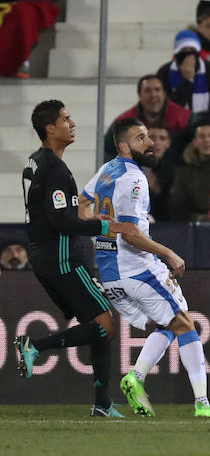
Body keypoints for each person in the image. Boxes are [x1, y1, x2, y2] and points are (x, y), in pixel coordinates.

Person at [80, 118, 210, 418]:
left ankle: (136, 377)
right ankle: (202, 403)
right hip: (136, 268)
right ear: (123, 146)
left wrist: (105, 229)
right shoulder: (134, 178)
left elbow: (83, 205)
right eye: (140, 138)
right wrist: (168, 252)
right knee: (186, 325)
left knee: (169, 322)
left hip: (109, 272)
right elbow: (132, 234)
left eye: (148, 136)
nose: (150, 142)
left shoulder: (107, 170)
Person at [16, 100, 138, 417]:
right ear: (50, 128)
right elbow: (62, 222)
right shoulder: (54, 168)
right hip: (62, 256)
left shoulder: (37, 161)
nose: (73, 124)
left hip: (46, 254)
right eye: (66, 119)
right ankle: (34, 347)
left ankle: (102, 403)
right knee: (106, 325)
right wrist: (105, 225)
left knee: (98, 323)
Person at [103, 75, 192, 161]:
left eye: (157, 90)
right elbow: (107, 152)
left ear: (164, 94)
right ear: (140, 95)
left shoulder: (185, 118)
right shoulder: (124, 122)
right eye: (147, 90)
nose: (153, 95)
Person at [156, 29, 210, 122]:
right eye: (183, 50)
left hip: (207, 126)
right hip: (174, 126)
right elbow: (165, 109)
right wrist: (187, 81)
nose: (188, 55)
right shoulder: (164, 72)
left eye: (192, 50)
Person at [167, 121, 210, 221]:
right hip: (194, 228)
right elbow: (176, 207)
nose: (206, 140)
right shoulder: (183, 172)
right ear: (195, 142)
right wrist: (198, 218)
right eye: (202, 136)